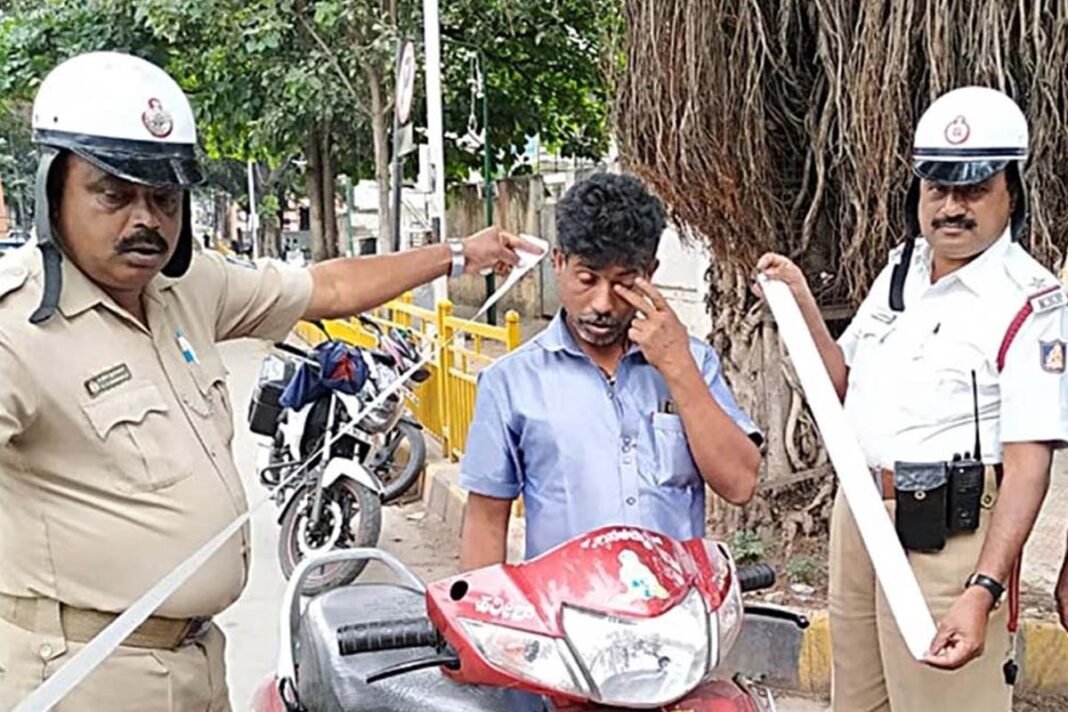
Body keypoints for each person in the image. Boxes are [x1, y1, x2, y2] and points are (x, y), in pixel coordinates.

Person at [0, 51, 537, 712]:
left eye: (165, 198)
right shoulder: (17, 327)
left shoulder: (186, 290)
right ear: (54, 189)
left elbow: (330, 287)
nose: (146, 219)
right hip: (81, 677)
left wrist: (459, 253)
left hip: (198, 663)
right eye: (114, 194)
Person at [757, 86, 1068, 711]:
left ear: (1012, 191)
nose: (952, 207)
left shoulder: (1030, 302)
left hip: (946, 536)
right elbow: (845, 389)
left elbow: (1029, 465)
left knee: (944, 702)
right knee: (859, 703)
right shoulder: (901, 270)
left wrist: (982, 589)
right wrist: (801, 306)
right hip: (861, 515)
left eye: (973, 189)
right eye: (937, 189)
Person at [458, 172, 763, 571]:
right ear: (559, 263)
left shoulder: (693, 363)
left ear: (649, 273)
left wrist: (678, 369)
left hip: (679, 616)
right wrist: (482, 625)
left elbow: (739, 484)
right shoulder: (511, 382)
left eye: (623, 284)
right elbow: (486, 518)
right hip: (563, 617)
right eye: (587, 279)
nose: (602, 303)